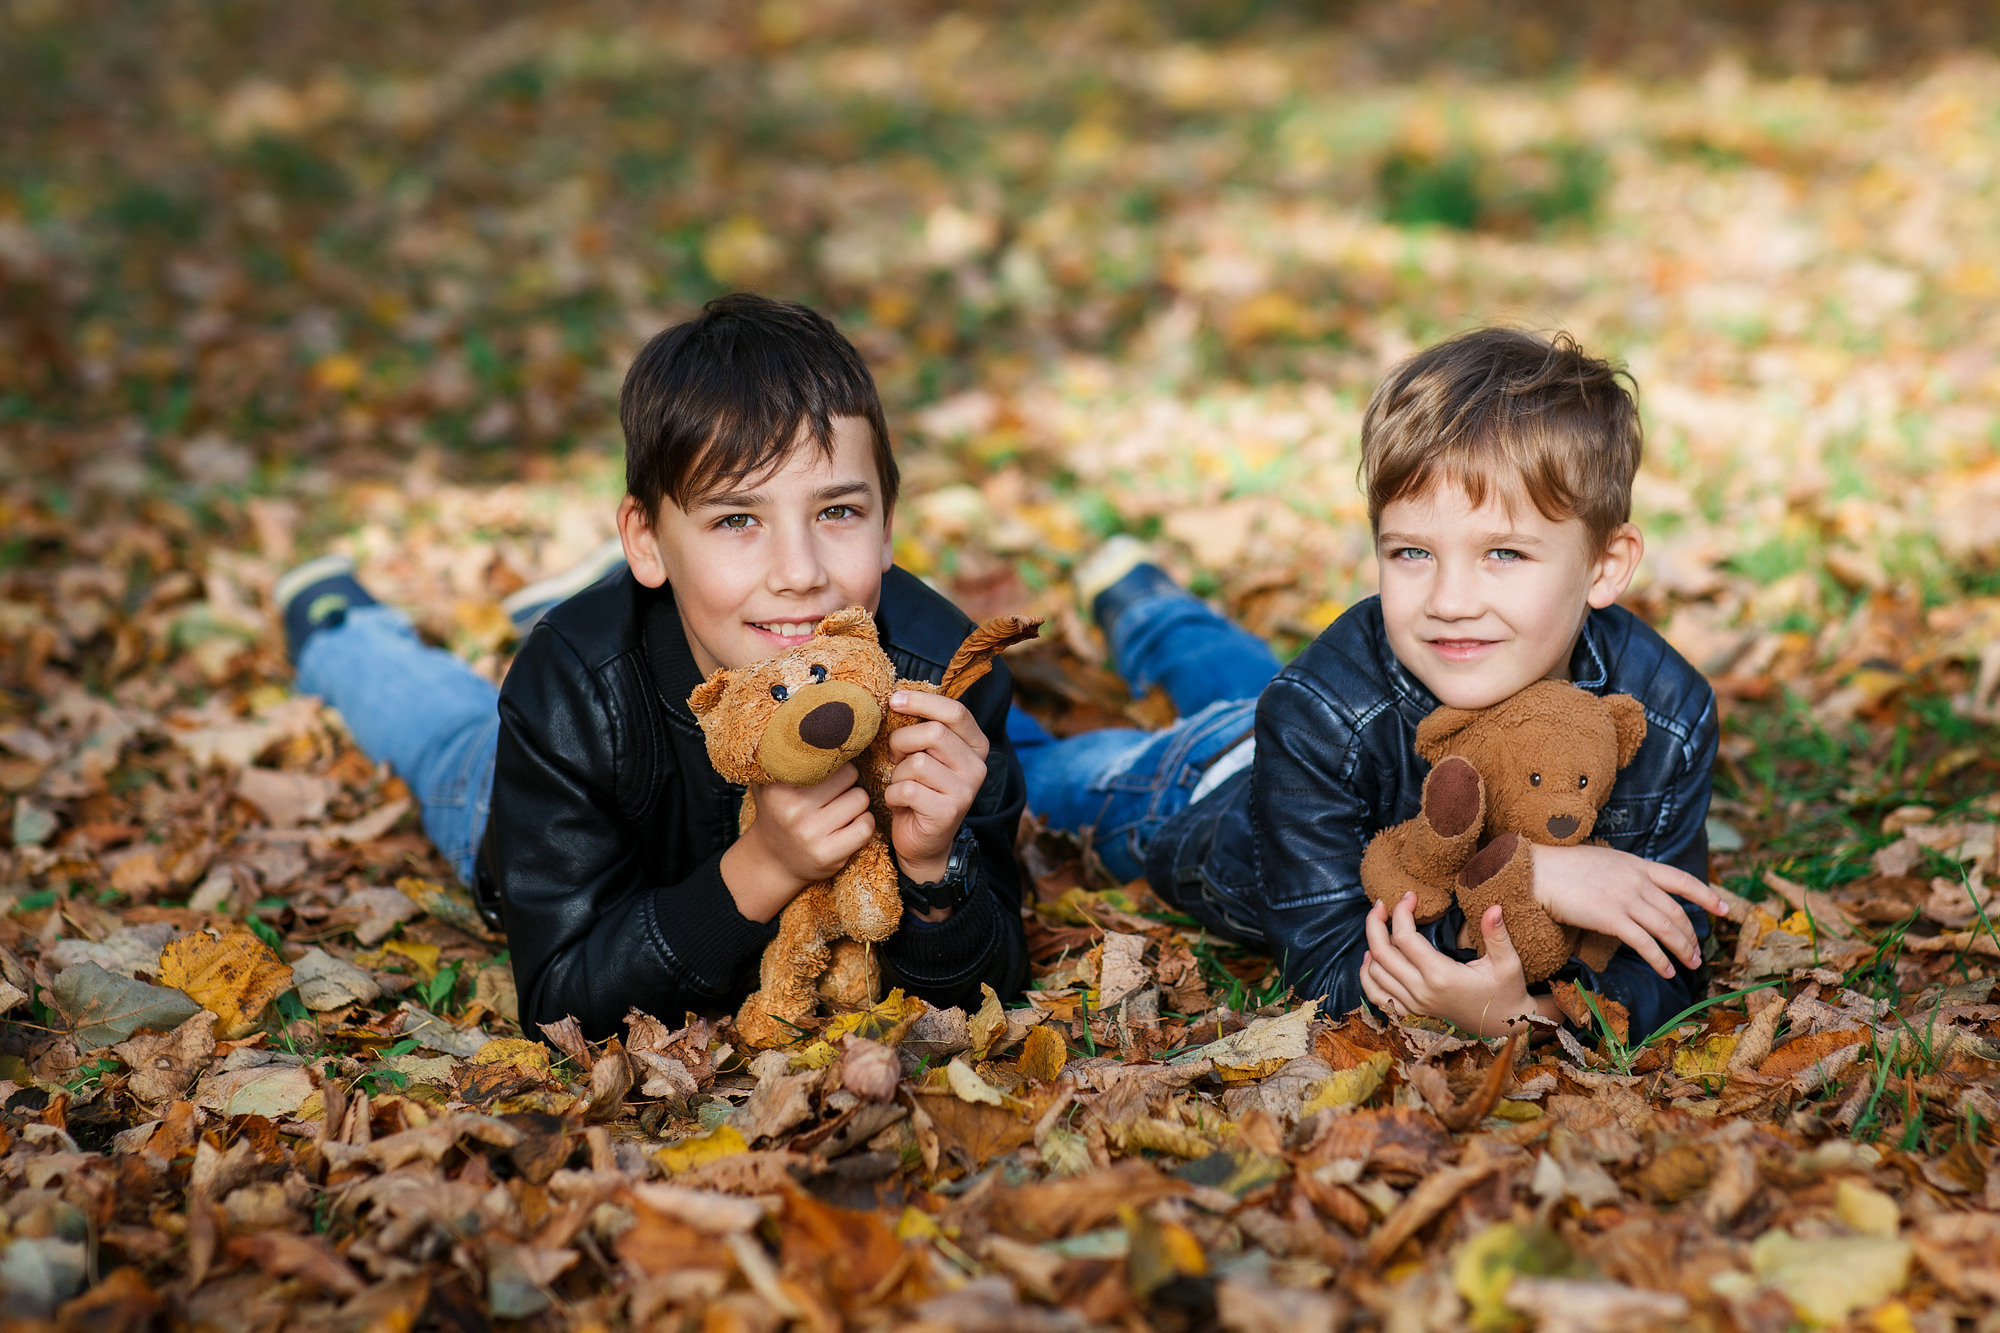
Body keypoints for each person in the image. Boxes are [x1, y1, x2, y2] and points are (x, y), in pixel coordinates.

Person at [274, 293, 1029, 1038]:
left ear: (888, 525)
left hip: (679, 625)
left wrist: (934, 871)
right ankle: (340, 627)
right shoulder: (574, 690)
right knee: (442, 734)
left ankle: (624, 580)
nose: (800, 572)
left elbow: (990, 986)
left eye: (837, 512)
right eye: (738, 518)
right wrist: (765, 866)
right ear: (646, 539)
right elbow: (561, 999)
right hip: (513, 799)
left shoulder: (946, 672)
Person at [1010, 328, 1728, 1040]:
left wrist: (1531, 1016)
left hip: (1287, 720)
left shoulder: (1667, 713)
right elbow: (1325, 964)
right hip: (1203, 789)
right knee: (1021, 770)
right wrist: (1525, 877)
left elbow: (1673, 957)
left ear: (1606, 565)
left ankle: (1144, 599)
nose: (1450, 600)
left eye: (1504, 553)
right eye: (1412, 552)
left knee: (1245, 685)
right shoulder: (1317, 713)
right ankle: (1127, 611)